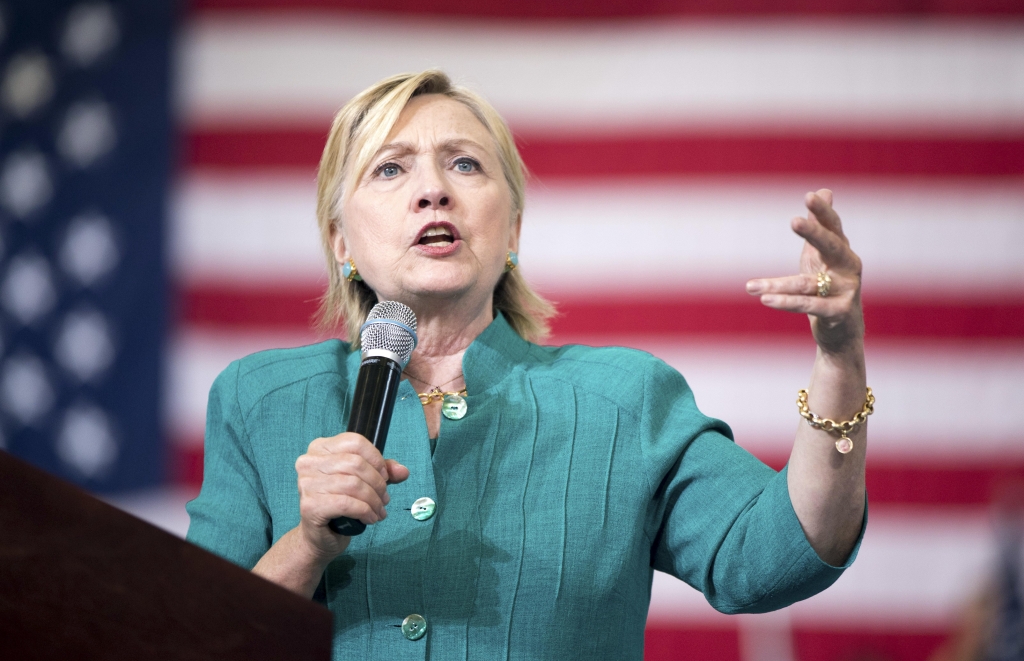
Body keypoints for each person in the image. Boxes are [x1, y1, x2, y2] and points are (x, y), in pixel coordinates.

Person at [186, 70, 871, 659]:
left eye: (465, 164)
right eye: (390, 168)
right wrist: (306, 544)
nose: (433, 191)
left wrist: (839, 359)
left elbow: (776, 556)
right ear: (341, 240)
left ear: (511, 231)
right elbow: (195, 642)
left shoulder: (626, 399)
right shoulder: (258, 400)